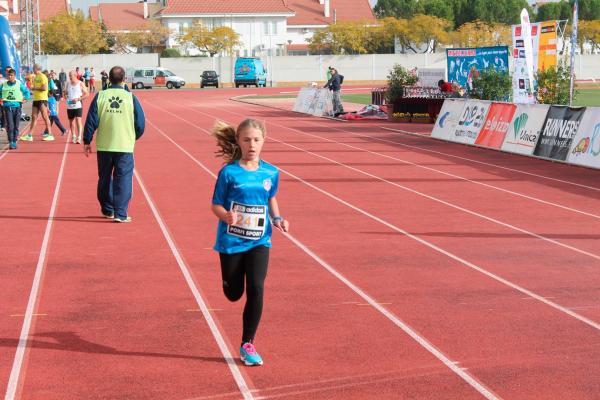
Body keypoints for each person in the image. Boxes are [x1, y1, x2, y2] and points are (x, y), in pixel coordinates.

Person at [211, 119, 289, 366]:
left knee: (256, 287)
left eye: (256, 140)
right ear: (238, 141)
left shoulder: (271, 173)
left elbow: (271, 197)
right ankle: (229, 283)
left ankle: (248, 343)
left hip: (260, 240)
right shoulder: (228, 173)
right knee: (234, 293)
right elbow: (216, 204)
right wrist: (226, 215)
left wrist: (277, 218)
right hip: (231, 241)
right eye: (246, 139)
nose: (252, 144)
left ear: (264, 140)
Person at [83, 66, 145, 223]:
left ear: (108, 79)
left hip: (104, 145)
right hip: (124, 144)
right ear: (124, 79)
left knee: (104, 178)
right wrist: (133, 136)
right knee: (123, 179)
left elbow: (91, 120)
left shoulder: (101, 96)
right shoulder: (131, 98)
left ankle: (108, 209)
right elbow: (140, 123)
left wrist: (86, 140)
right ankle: (120, 213)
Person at [20, 64, 55, 142]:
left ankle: (50, 134)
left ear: (36, 69)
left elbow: (45, 88)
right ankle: (29, 135)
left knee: (45, 116)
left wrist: (34, 88)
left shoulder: (43, 76)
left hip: (42, 99)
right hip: (36, 99)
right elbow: (34, 88)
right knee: (33, 116)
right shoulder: (35, 77)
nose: (32, 70)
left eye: (33, 68)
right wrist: (32, 88)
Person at [1, 68, 30, 149]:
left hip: (17, 107)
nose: (10, 77)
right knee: (10, 125)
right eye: (9, 75)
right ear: (7, 76)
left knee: (16, 125)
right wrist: (1, 99)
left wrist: (26, 99)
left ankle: (14, 140)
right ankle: (11, 142)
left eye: (12, 75)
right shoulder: (3, 85)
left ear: (14, 76)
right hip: (8, 107)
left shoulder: (18, 84)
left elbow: (26, 91)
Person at [66, 70, 89, 144]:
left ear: (75, 75)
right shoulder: (68, 84)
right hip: (70, 106)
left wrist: (78, 99)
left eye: (70, 75)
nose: (69, 77)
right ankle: (73, 136)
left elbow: (87, 94)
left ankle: (79, 137)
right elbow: (65, 92)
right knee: (71, 122)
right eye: (69, 75)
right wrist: (65, 95)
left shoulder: (80, 83)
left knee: (78, 120)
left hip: (78, 105)